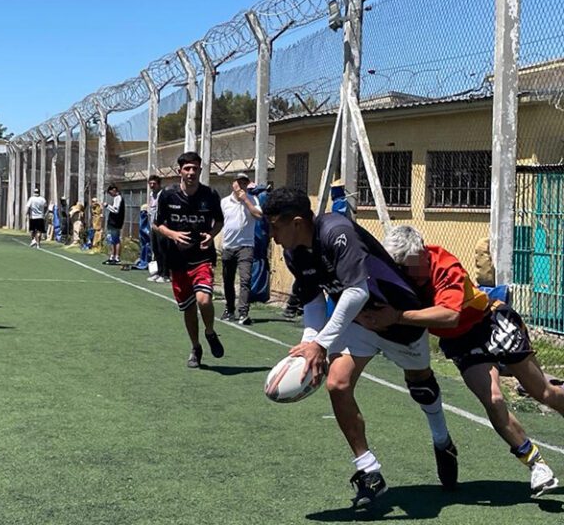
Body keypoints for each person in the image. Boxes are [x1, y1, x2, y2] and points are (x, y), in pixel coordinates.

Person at [261, 187, 457, 507]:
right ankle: (369, 471)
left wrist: (321, 343)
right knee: (337, 384)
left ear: (296, 222)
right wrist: (310, 341)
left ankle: (442, 439)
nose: (271, 235)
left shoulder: (337, 232)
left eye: (274, 227)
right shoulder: (294, 251)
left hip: (397, 319)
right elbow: (313, 300)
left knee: (421, 384)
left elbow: (356, 291)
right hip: (359, 322)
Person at [358, 225, 564, 498]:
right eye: (401, 268)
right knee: (493, 399)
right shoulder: (398, 274)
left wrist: (396, 317)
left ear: (423, 253)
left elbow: (449, 316)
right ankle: (536, 464)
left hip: (489, 322)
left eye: (410, 266)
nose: (408, 274)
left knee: (543, 391)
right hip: (461, 342)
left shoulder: (445, 264)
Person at [154, 151, 225, 368]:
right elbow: (157, 225)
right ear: (180, 171)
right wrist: (173, 235)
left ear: (200, 170)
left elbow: (219, 222)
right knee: (189, 307)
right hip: (178, 261)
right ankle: (196, 347)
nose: (191, 172)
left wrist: (210, 236)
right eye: (187, 168)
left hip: (202, 257)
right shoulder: (168, 195)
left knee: (204, 300)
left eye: (195, 168)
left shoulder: (210, 195)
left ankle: (210, 332)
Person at [220, 173, 262, 325]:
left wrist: (246, 200)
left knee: (245, 279)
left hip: (246, 246)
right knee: (228, 280)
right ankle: (229, 309)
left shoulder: (253, 199)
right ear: (234, 184)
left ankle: (243, 312)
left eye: (244, 183)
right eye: (239, 183)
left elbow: (258, 215)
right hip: (228, 246)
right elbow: (219, 222)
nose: (241, 186)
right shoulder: (224, 202)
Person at [147, 175, 170, 283]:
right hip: (153, 226)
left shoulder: (163, 194)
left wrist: (161, 225)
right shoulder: (151, 195)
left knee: (163, 251)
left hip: (161, 226)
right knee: (155, 250)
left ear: (159, 184)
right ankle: (158, 272)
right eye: (150, 183)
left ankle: (165, 274)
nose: (152, 186)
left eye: (154, 184)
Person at [103, 185, 125, 265]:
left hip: (115, 222)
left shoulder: (118, 198)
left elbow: (116, 210)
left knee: (114, 239)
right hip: (114, 221)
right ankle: (113, 256)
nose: (110, 194)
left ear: (114, 190)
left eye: (110, 192)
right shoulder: (116, 198)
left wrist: (107, 206)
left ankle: (115, 257)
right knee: (113, 239)